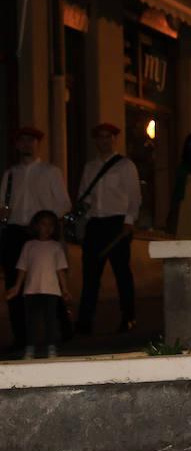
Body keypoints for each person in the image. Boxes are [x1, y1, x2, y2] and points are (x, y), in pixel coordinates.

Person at [1, 126, 70, 352]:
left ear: (37, 144)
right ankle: (21, 336)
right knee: (15, 283)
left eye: (31, 141)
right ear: (17, 145)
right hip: (15, 231)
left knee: (50, 281)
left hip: (42, 233)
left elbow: (64, 203)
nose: (26, 145)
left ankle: (61, 329)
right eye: (22, 141)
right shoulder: (10, 175)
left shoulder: (50, 171)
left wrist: (46, 224)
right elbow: (3, 206)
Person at [75, 123, 141, 335]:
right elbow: (84, 197)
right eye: (100, 137)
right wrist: (82, 221)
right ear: (96, 140)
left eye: (108, 136)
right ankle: (84, 323)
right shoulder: (90, 167)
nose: (104, 140)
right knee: (90, 276)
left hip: (117, 224)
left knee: (122, 273)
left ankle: (128, 318)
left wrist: (129, 221)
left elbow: (135, 196)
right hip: (95, 224)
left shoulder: (125, 165)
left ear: (114, 139)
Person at [5, 210, 70, 359]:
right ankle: (30, 347)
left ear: (55, 228)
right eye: (43, 224)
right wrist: (16, 287)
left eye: (50, 225)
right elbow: (23, 268)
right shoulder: (29, 245)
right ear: (36, 226)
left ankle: (51, 347)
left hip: (51, 290)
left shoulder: (56, 246)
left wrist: (65, 289)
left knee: (50, 321)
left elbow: (60, 270)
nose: (47, 228)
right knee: (31, 321)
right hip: (31, 290)